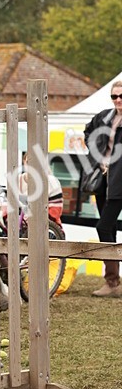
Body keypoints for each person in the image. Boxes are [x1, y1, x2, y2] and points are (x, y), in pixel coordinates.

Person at [84, 82, 122, 297]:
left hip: (119, 183)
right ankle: (113, 281)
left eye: (121, 96)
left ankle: (112, 281)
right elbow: (88, 131)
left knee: (103, 226)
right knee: (109, 228)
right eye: (114, 96)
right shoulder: (104, 117)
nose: (118, 100)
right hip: (103, 180)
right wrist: (98, 158)